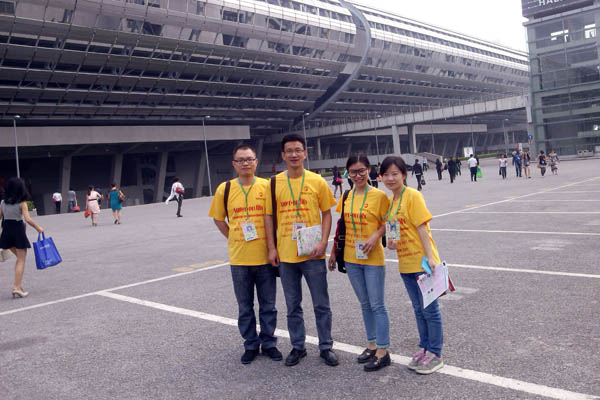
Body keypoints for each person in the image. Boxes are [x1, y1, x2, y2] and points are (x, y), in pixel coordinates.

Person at [265, 133, 338, 367]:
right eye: (289, 151)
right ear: (283, 155)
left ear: (305, 153)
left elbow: (327, 213)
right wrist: (272, 248)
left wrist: (324, 241)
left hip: (313, 252)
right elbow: (268, 217)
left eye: (298, 150)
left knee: (321, 303)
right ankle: (298, 346)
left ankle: (326, 346)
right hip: (286, 255)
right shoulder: (273, 183)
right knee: (292, 305)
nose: (294, 154)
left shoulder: (317, 181)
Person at [209, 144, 281, 365]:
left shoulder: (267, 186)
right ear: (234, 164)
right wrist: (233, 236)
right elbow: (219, 219)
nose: (245, 163)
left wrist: (273, 247)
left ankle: (268, 343)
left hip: (265, 257)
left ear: (256, 162)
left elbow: (275, 217)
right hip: (239, 259)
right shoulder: (225, 189)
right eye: (241, 160)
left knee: (268, 305)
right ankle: (250, 344)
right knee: (245, 306)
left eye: (249, 159)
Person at [380, 156, 445, 375]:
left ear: (404, 175)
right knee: (418, 309)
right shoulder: (391, 202)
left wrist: (431, 258)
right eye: (386, 174)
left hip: (422, 263)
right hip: (405, 264)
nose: (390, 178)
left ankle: (435, 353)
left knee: (430, 310)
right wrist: (391, 243)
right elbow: (394, 236)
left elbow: (422, 229)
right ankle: (425, 347)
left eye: (394, 174)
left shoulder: (413, 196)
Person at [328, 154, 391, 372]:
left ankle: (383, 350)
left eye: (361, 170)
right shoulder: (346, 196)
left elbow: (389, 222)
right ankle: (372, 345)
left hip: (373, 258)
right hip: (351, 257)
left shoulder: (379, 196)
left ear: (369, 170)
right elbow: (341, 226)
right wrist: (334, 252)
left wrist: (376, 236)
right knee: (365, 304)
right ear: (348, 173)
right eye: (353, 172)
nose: (358, 175)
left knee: (377, 305)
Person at [0, 177, 44, 299]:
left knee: (19, 259)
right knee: (21, 259)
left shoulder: (3, 203)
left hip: (6, 231)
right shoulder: (22, 203)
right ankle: (16, 287)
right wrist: (38, 228)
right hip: (17, 231)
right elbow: (27, 219)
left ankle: (18, 285)